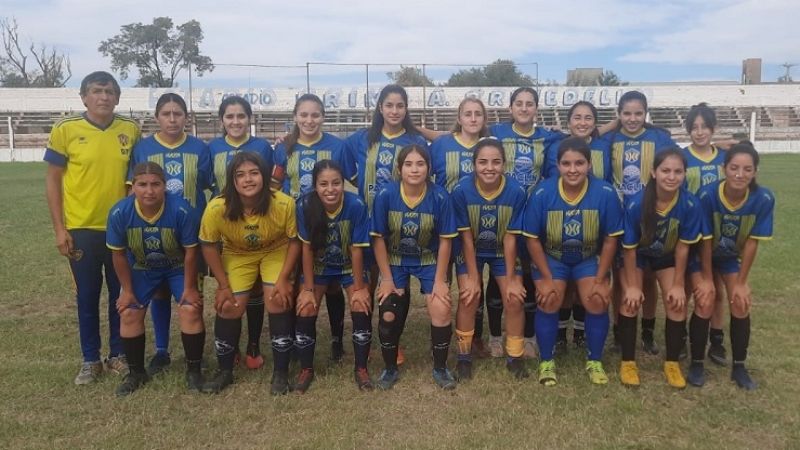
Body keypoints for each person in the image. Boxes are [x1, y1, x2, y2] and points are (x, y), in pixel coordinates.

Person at [44, 71, 139, 384]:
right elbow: (53, 180)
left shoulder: (130, 129)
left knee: (120, 293)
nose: (104, 97)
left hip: (119, 231)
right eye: (97, 91)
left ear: (117, 97)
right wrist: (60, 228)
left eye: (110, 91)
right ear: (84, 97)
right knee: (87, 296)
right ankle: (89, 359)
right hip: (82, 229)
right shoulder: (66, 129)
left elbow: (133, 181)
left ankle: (117, 354)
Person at [523, 137, 623, 385]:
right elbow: (533, 239)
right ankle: (547, 360)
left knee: (597, 299)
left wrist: (600, 279)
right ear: (557, 165)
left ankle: (595, 360)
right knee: (549, 298)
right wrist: (545, 278)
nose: (573, 169)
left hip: (587, 258)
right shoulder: (543, 192)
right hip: (552, 257)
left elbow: (611, 239)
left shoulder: (605, 193)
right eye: (566, 163)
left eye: (579, 163)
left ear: (589, 165)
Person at [198, 152, 300, 394]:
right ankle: (225, 371)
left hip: (275, 250)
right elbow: (208, 245)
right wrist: (223, 285)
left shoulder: (284, 203)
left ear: (264, 176)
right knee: (229, 305)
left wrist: (284, 278)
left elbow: (295, 241)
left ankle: (281, 372)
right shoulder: (217, 207)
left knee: (277, 299)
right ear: (232, 180)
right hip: (238, 252)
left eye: (254, 173)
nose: (248, 180)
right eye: (240, 175)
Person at [128, 92, 213, 376]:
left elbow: (207, 187)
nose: (173, 119)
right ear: (157, 118)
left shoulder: (201, 149)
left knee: (191, 293)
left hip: (190, 234)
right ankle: (162, 350)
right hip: (151, 231)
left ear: (186, 118)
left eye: (178, 114)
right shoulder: (143, 149)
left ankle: (194, 358)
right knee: (160, 291)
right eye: (167, 114)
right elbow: (133, 191)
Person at [106, 162, 205, 396]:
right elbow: (118, 254)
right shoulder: (120, 212)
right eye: (142, 185)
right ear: (133, 187)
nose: (149, 191)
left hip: (178, 266)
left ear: (165, 187)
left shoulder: (182, 210)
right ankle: (136, 372)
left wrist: (190, 288)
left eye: (155, 185)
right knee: (128, 311)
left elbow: (191, 252)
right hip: (142, 267)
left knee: (190, 309)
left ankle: (194, 371)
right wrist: (127, 291)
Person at [371, 144, 458, 390]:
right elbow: (378, 239)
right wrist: (386, 279)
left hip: (428, 259)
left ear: (429, 168)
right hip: (396, 260)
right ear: (399, 169)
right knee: (389, 310)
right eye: (408, 164)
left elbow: (445, 241)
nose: (414, 169)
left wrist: (440, 280)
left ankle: (440, 368)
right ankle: (389, 369)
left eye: (420, 164)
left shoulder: (440, 196)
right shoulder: (386, 195)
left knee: (441, 307)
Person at [272, 93, 349, 362]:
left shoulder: (337, 147)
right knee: (296, 281)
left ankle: (337, 340)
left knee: (330, 283)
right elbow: (274, 185)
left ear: (323, 117)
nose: (309, 120)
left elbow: (351, 180)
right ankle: (296, 338)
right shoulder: (284, 148)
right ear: (295, 117)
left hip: (328, 224)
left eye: (315, 114)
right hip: (292, 225)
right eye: (303, 115)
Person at [619, 148, 704, 388]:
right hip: (638, 255)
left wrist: (678, 285)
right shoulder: (637, 203)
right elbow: (629, 248)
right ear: (653, 172)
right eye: (665, 170)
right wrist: (633, 286)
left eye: (678, 171)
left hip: (666, 256)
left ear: (685, 174)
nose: (671, 176)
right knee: (630, 300)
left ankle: (672, 363)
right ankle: (627, 362)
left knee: (676, 303)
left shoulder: (689, 204)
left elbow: (682, 249)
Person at [694, 142, 774, 390]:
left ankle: (739, 367)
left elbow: (752, 243)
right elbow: (705, 240)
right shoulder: (707, 194)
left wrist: (741, 282)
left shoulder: (763, 198)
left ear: (755, 172)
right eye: (734, 168)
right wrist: (706, 278)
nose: (740, 174)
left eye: (747, 169)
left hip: (729, 258)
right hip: (702, 255)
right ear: (724, 168)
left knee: (740, 301)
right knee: (706, 298)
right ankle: (696, 363)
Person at [450, 138, 529, 380]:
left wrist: (514, 279)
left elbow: (510, 239)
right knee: (469, 296)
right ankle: (464, 357)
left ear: (504, 164)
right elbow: (465, 237)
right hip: (471, 247)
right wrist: (473, 277)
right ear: (473, 164)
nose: (489, 167)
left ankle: (515, 356)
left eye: (496, 162)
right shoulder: (461, 190)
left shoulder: (516, 191)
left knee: (514, 298)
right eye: (483, 162)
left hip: (501, 249)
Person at [208, 95, 275, 370]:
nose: (235, 121)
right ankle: (230, 346)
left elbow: (272, 182)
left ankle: (254, 344)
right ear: (222, 120)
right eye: (230, 116)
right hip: (227, 226)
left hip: (259, 222)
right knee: (232, 287)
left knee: (258, 286)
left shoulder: (262, 147)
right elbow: (207, 184)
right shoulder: (210, 148)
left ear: (250, 119)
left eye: (241, 116)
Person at [295, 160, 373, 392]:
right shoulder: (304, 205)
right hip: (318, 267)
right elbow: (306, 249)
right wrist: (308, 289)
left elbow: (357, 249)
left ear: (343, 184)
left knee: (360, 304)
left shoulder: (356, 204)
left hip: (349, 265)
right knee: (306, 307)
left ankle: (361, 368)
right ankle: (306, 369)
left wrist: (359, 287)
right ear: (315, 186)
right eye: (324, 184)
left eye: (336, 183)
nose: (331, 189)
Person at [610, 91, 678, 356]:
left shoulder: (659, 138)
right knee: (622, 278)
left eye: (638, 113)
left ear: (646, 114)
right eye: (627, 113)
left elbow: (678, 160)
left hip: (652, 217)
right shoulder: (610, 139)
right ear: (619, 115)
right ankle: (620, 331)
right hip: (620, 218)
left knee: (648, 276)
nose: (632, 118)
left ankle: (648, 332)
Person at [544, 101, 614, 354]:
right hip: (559, 215)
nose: (582, 122)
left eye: (588, 118)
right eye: (577, 117)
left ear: (596, 123)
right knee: (565, 283)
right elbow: (547, 178)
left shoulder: (605, 146)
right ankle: (561, 332)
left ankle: (582, 332)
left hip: (594, 217)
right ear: (568, 121)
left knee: (586, 279)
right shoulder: (555, 145)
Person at [429, 97, 493, 357]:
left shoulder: (490, 146)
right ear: (459, 117)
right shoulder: (442, 144)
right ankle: (440, 337)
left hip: (476, 227)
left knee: (470, 285)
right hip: (444, 226)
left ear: (485, 119)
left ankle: (473, 337)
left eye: (478, 113)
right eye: (468, 113)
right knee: (441, 283)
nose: (473, 118)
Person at [682, 102, 728, 365]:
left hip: (720, 233)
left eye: (704, 127)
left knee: (717, 289)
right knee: (690, 287)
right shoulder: (682, 159)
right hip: (692, 232)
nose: (699, 132)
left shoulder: (724, 158)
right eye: (694, 127)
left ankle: (717, 340)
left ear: (713, 129)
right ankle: (687, 336)